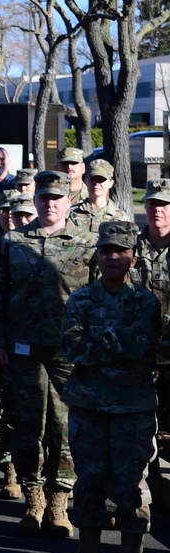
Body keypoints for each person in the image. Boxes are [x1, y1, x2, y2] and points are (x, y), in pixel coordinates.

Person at [0, 170, 98, 539]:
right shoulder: (12, 243)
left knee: (65, 430)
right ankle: (33, 499)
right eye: (44, 197)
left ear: (68, 201)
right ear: (35, 201)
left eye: (57, 198)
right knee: (25, 426)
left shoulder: (87, 243)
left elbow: (98, 299)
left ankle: (59, 501)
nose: (50, 203)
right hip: (22, 350)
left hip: (69, 355)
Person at [61, 221, 159, 553]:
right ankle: (89, 547)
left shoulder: (145, 301)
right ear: (97, 256)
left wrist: (101, 341)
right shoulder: (81, 299)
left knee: (131, 479)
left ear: (133, 258)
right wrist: (117, 342)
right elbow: (72, 347)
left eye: (121, 251)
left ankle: (131, 550)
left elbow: (141, 347)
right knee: (88, 477)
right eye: (106, 250)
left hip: (133, 406)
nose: (113, 257)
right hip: (89, 405)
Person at [132, 178, 170, 515]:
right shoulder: (133, 248)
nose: (157, 210)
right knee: (142, 431)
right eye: (153, 204)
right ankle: (147, 497)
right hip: (140, 357)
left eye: (164, 205)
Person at [68, 158, 131, 233]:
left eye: (101, 180)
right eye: (93, 179)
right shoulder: (72, 213)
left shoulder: (120, 218)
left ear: (111, 183)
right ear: (86, 181)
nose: (96, 183)